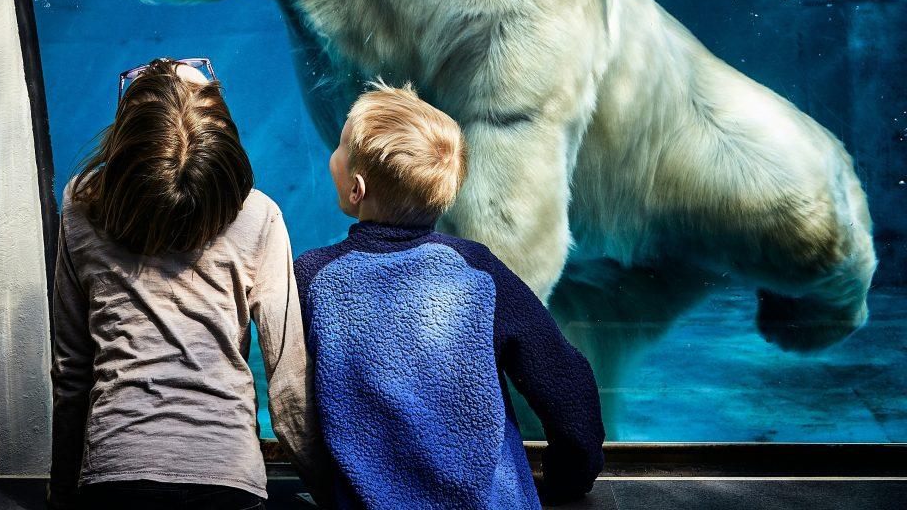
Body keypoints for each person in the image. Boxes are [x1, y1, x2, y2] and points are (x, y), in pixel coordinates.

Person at [294, 82, 605, 510]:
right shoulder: (478, 269)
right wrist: (570, 478)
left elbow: (296, 401)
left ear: (356, 189)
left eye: (341, 145)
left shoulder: (314, 277)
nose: (334, 152)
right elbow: (564, 379)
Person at [48, 57, 329, 510]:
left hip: (113, 479)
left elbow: (72, 371)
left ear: (128, 142)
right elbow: (289, 381)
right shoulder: (257, 215)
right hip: (229, 481)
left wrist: (61, 493)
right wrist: (329, 494)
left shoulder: (83, 205)